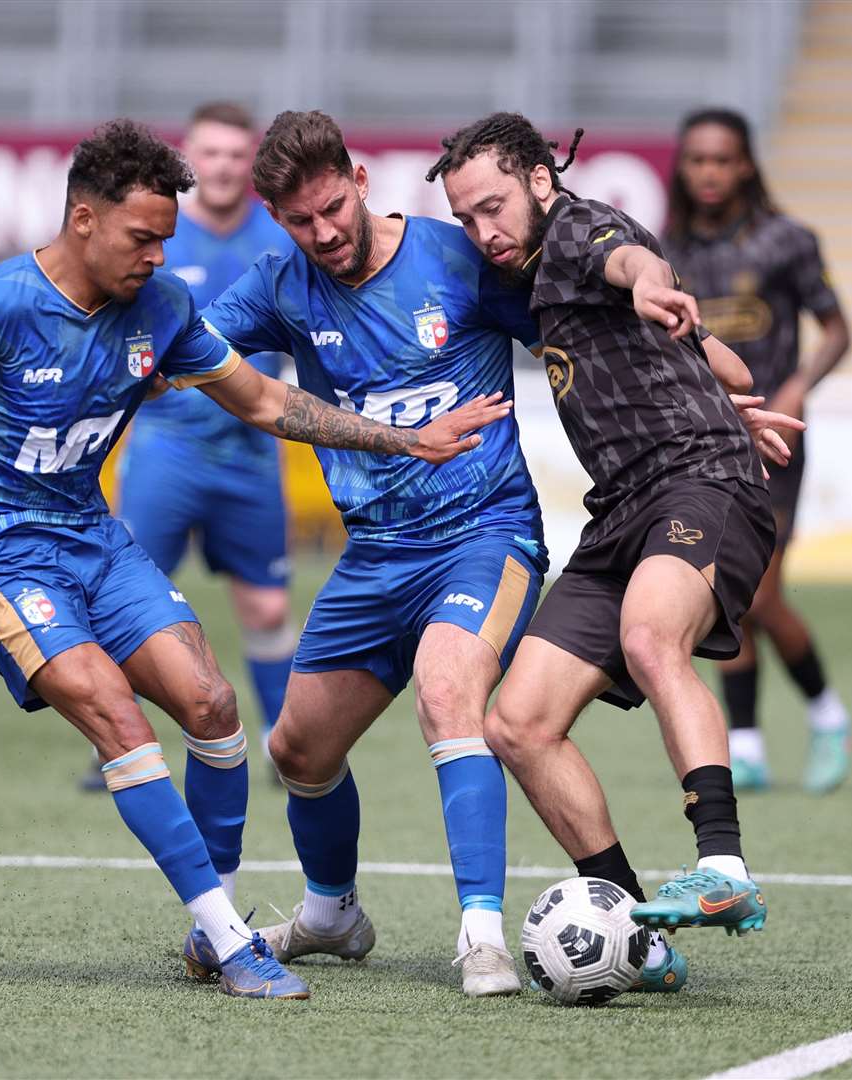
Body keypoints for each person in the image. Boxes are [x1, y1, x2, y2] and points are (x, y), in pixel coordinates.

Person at [0, 118, 510, 1002]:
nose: (158, 257)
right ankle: (233, 943)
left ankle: (211, 910)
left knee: (214, 704)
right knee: (115, 713)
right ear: (83, 218)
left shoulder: (161, 311)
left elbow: (264, 400)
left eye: (166, 240)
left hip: (89, 536)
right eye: (142, 238)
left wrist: (404, 440)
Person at [199, 109, 640, 998]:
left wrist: (695, 389)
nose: (321, 233)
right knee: (299, 751)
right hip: (374, 557)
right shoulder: (281, 285)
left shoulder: (455, 258)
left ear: (359, 181)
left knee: (449, 696)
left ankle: (481, 933)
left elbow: (574, 337)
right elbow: (190, 352)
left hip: (486, 534)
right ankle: (332, 914)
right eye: (299, 221)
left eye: (331, 208)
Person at [431, 112, 804, 948]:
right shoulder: (529, 273)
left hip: (699, 483)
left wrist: (643, 279)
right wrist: (705, 367)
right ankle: (629, 921)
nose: (482, 231)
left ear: (537, 178)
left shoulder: (573, 230)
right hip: (622, 511)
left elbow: (628, 257)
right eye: (465, 218)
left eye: (492, 205)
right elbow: (729, 366)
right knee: (516, 724)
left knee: (648, 636)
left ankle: (725, 869)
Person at [665, 107, 852, 794]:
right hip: (704, 446)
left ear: (745, 164)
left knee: (758, 594)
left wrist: (802, 383)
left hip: (775, 441)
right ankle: (746, 745)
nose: (710, 172)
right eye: (698, 160)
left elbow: (837, 330)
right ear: (683, 168)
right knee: (727, 597)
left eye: (723, 159)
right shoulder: (667, 255)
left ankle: (827, 716)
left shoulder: (787, 241)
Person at [108, 102, 298, 786]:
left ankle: (283, 743)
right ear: (189, 159)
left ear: (253, 163)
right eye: (210, 154)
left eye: (235, 154)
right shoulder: (157, 239)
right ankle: (121, 743)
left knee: (268, 605)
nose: (222, 166)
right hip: (166, 451)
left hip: (249, 452)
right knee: (127, 598)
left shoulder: (280, 242)